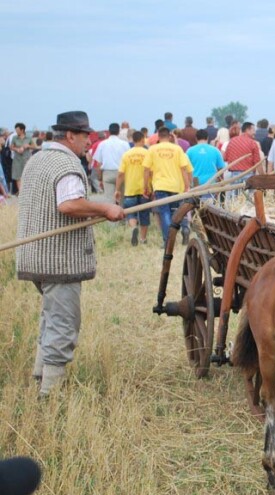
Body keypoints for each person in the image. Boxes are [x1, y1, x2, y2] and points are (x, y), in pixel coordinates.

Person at [15, 111, 125, 397]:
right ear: (69, 136)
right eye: (85, 135)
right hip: (58, 259)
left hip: (34, 256)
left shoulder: (37, 159)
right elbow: (68, 204)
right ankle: (49, 394)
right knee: (64, 323)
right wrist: (105, 209)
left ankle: (41, 376)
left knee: (51, 317)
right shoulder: (66, 164)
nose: (89, 141)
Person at [143, 127, 193, 244]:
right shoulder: (177, 149)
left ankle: (168, 241)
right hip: (176, 186)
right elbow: (183, 169)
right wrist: (187, 185)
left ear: (158, 136)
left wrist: (146, 187)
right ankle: (183, 229)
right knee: (174, 212)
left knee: (164, 213)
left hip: (160, 185)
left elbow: (146, 170)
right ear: (170, 136)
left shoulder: (152, 149)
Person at [114, 131, 152, 245]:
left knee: (130, 212)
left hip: (130, 189)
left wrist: (117, 189)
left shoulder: (126, 154)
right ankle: (143, 238)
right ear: (142, 139)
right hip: (144, 189)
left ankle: (133, 227)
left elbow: (120, 174)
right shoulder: (147, 153)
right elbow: (151, 171)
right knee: (144, 213)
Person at [93, 122, 130, 203]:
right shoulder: (125, 144)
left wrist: (100, 177)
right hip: (121, 173)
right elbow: (128, 161)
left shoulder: (102, 144)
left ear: (109, 131)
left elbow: (98, 163)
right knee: (122, 199)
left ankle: (112, 214)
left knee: (109, 199)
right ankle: (122, 214)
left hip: (107, 173)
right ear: (119, 131)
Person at [11, 123, 37, 193]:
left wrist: (28, 146)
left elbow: (34, 146)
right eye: (16, 130)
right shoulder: (14, 138)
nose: (16, 131)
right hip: (17, 159)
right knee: (17, 175)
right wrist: (17, 149)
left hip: (26, 158)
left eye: (17, 130)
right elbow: (11, 147)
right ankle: (20, 192)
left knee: (27, 175)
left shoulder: (29, 137)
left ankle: (26, 191)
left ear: (22, 130)